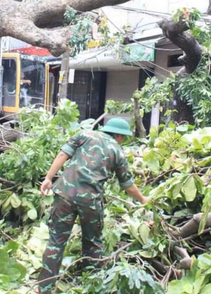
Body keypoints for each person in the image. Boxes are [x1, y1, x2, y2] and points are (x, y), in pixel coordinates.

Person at [36, 118, 149, 293]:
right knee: (92, 244)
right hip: (90, 201)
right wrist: (143, 200)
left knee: (56, 241)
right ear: (118, 135)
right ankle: (91, 286)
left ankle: (44, 288)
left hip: (64, 193)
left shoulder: (84, 135)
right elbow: (128, 185)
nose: (123, 141)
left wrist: (49, 178)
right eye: (124, 137)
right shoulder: (117, 152)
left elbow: (62, 155)